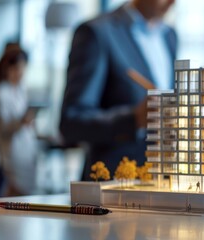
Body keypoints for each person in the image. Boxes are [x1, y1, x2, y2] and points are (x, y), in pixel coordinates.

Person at [60, 0, 177, 180]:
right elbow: (71, 121)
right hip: (113, 185)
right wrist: (134, 119)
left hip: (160, 183)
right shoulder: (97, 32)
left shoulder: (170, 36)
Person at [0, 43, 38, 196]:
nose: (21, 73)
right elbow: (2, 128)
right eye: (17, 68)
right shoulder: (0, 93)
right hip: (11, 151)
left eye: (23, 68)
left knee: (20, 193)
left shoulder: (19, 89)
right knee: (16, 192)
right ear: (7, 69)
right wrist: (21, 122)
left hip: (25, 147)